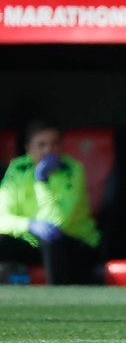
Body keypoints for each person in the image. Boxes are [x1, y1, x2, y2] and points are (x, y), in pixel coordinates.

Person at [0, 121, 100, 284]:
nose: (48, 150)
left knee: (50, 239)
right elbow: (2, 218)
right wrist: (29, 224)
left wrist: (42, 181)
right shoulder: (17, 168)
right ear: (29, 149)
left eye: (54, 144)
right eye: (41, 145)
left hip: (76, 243)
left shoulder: (73, 170)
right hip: (34, 240)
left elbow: (56, 223)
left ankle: (56, 297)